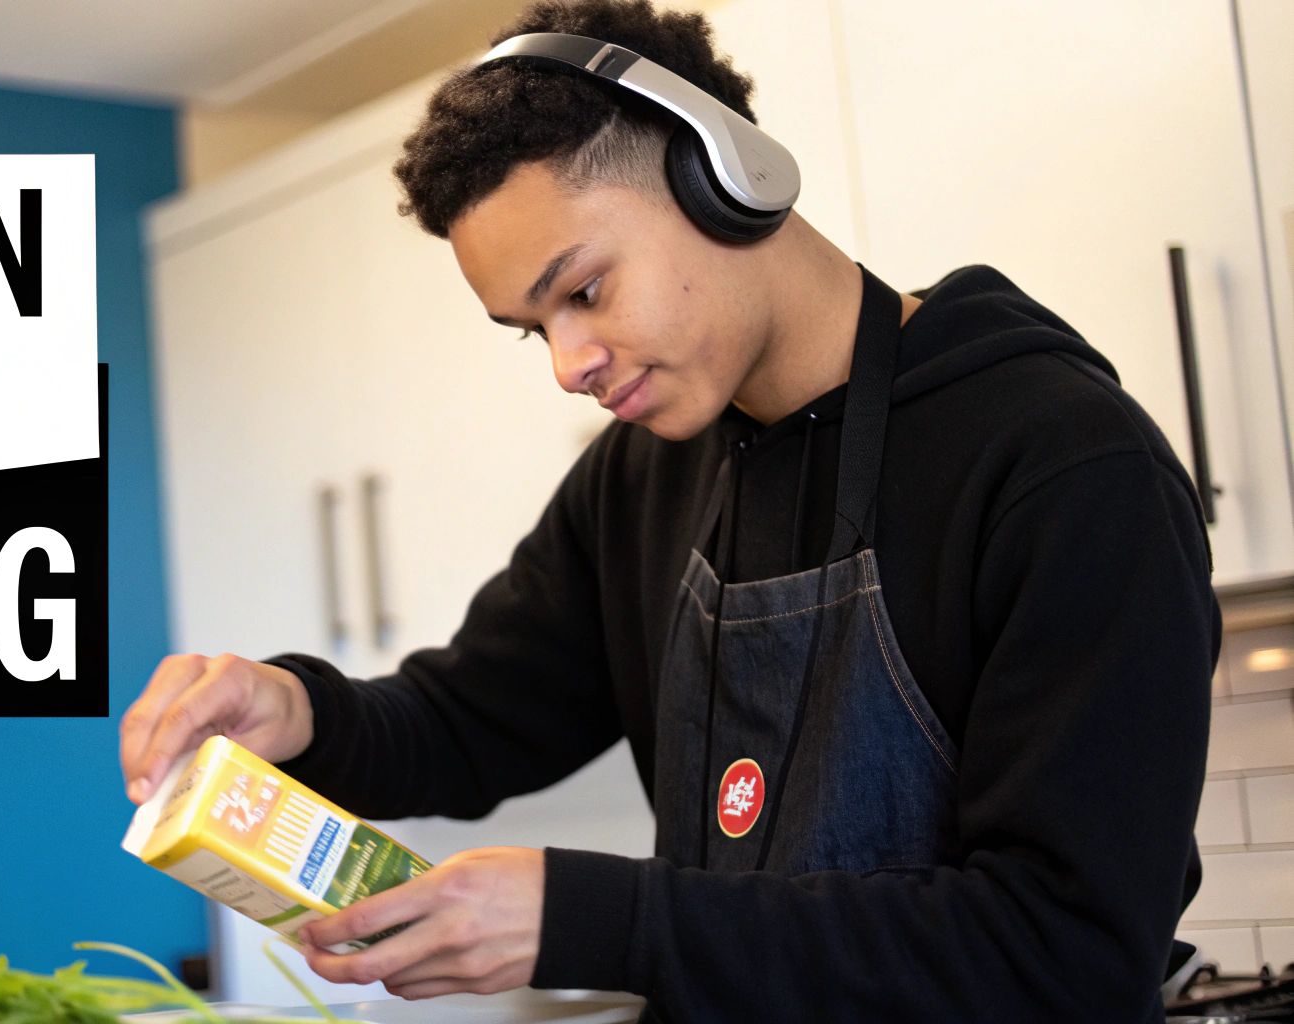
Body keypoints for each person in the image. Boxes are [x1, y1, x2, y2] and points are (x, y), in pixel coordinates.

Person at [119, 0, 1219, 1019]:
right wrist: (297, 711)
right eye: (531, 328)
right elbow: (466, 719)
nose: (567, 364)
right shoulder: (642, 475)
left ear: (724, 178)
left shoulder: (1062, 462)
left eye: (583, 291)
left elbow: (1063, 952)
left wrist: (597, 919)